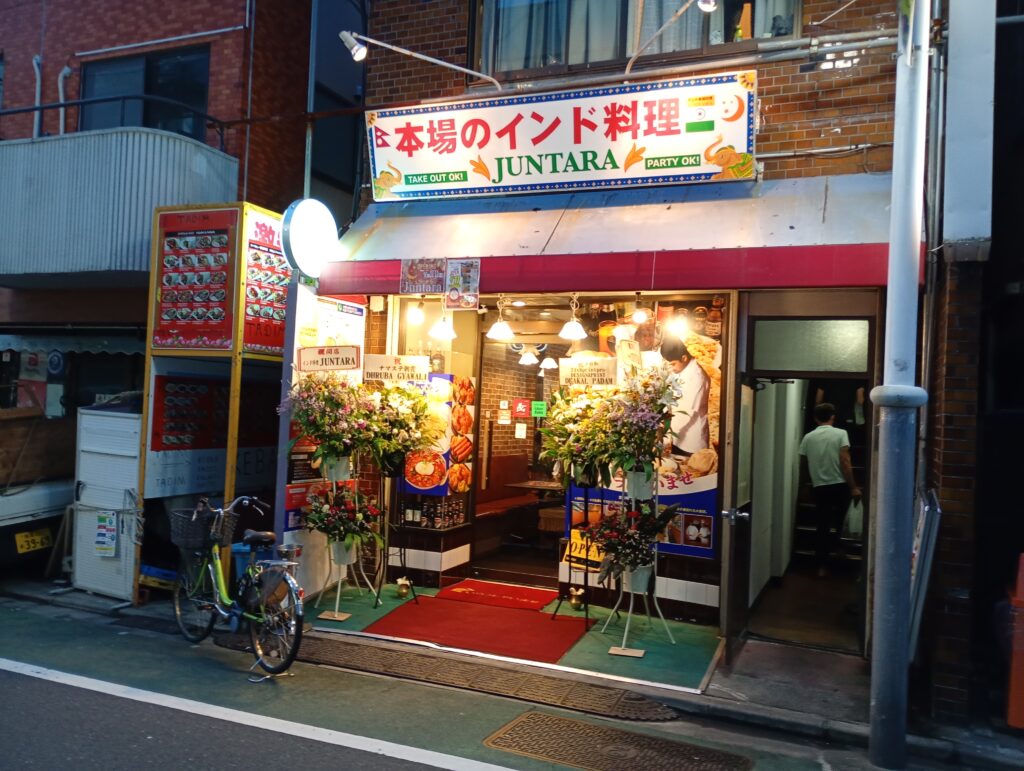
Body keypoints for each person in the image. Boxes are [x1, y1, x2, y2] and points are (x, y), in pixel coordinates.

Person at [799, 402, 862, 576]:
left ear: (815, 418)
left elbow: (803, 465)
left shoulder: (808, 437)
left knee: (822, 525)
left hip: (819, 486)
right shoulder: (841, 434)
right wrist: (853, 487)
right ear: (833, 416)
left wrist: (804, 486)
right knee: (842, 522)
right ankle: (841, 554)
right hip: (840, 484)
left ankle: (822, 566)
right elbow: (845, 461)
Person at [661, 337, 709, 457]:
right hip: (677, 435)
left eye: (673, 364)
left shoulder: (697, 377)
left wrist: (666, 436)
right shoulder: (681, 369)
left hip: (691, 441)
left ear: (684, 358)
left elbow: (687, 413)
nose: (671, 368)